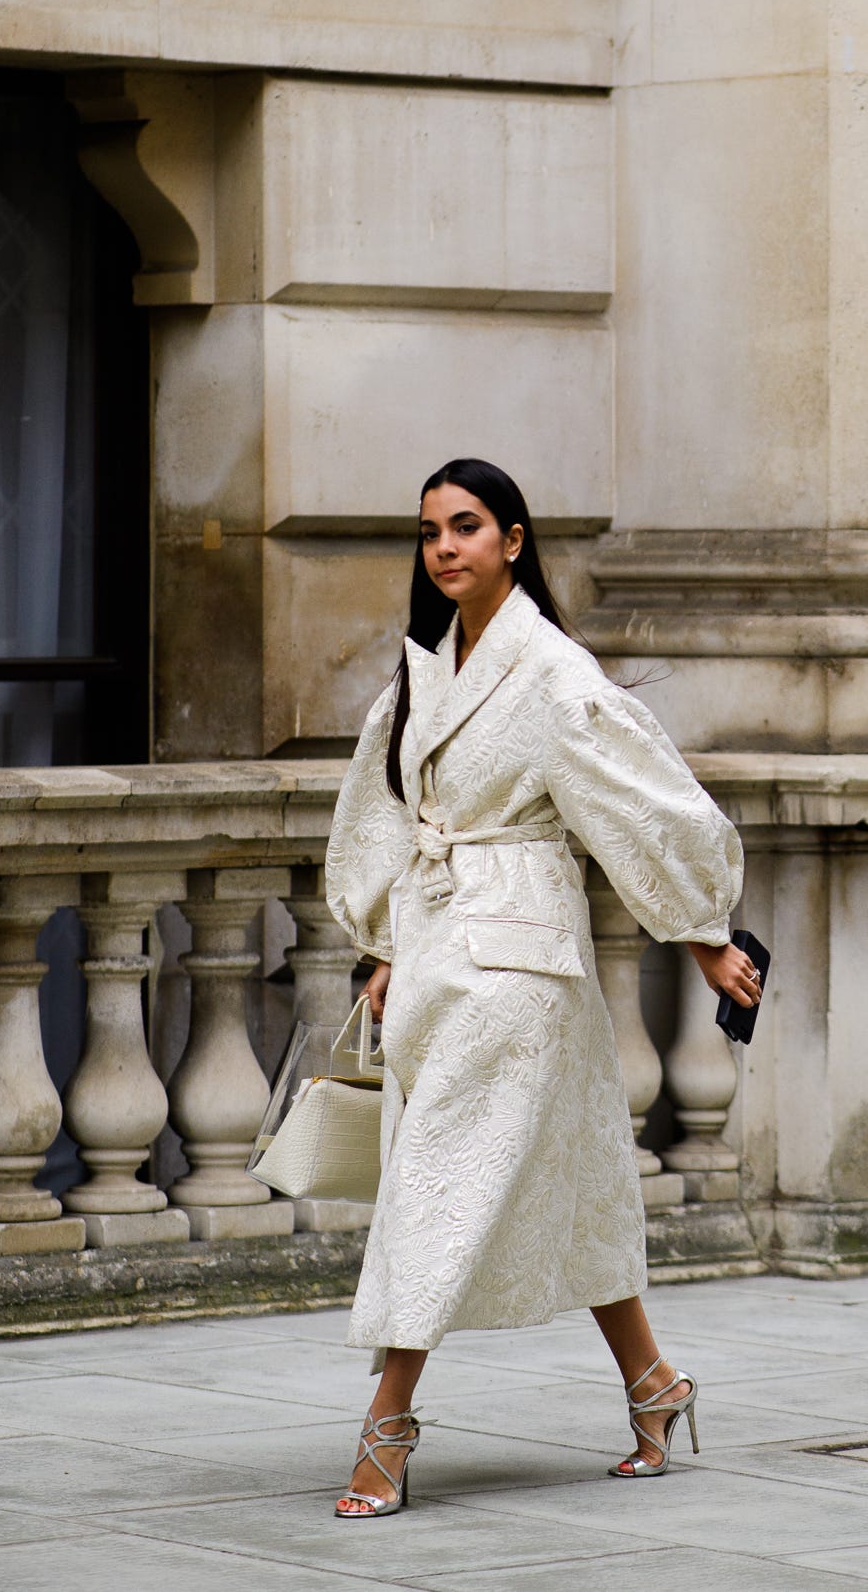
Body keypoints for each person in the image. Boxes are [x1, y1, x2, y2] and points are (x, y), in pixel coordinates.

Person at [321, 456, 760, 1520]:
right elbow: (383, 806)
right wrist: (381, 940)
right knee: (580, 1184)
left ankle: (388, 1423)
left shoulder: (553, 674)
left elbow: (642, 801)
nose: (443, 548)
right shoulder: (428, 668)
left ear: (513, 539)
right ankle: (655, 1386)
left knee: (438, 1180)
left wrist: (701, 929)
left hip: (515, 961)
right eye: (430, 531)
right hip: (439, 948)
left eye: (465, 526)